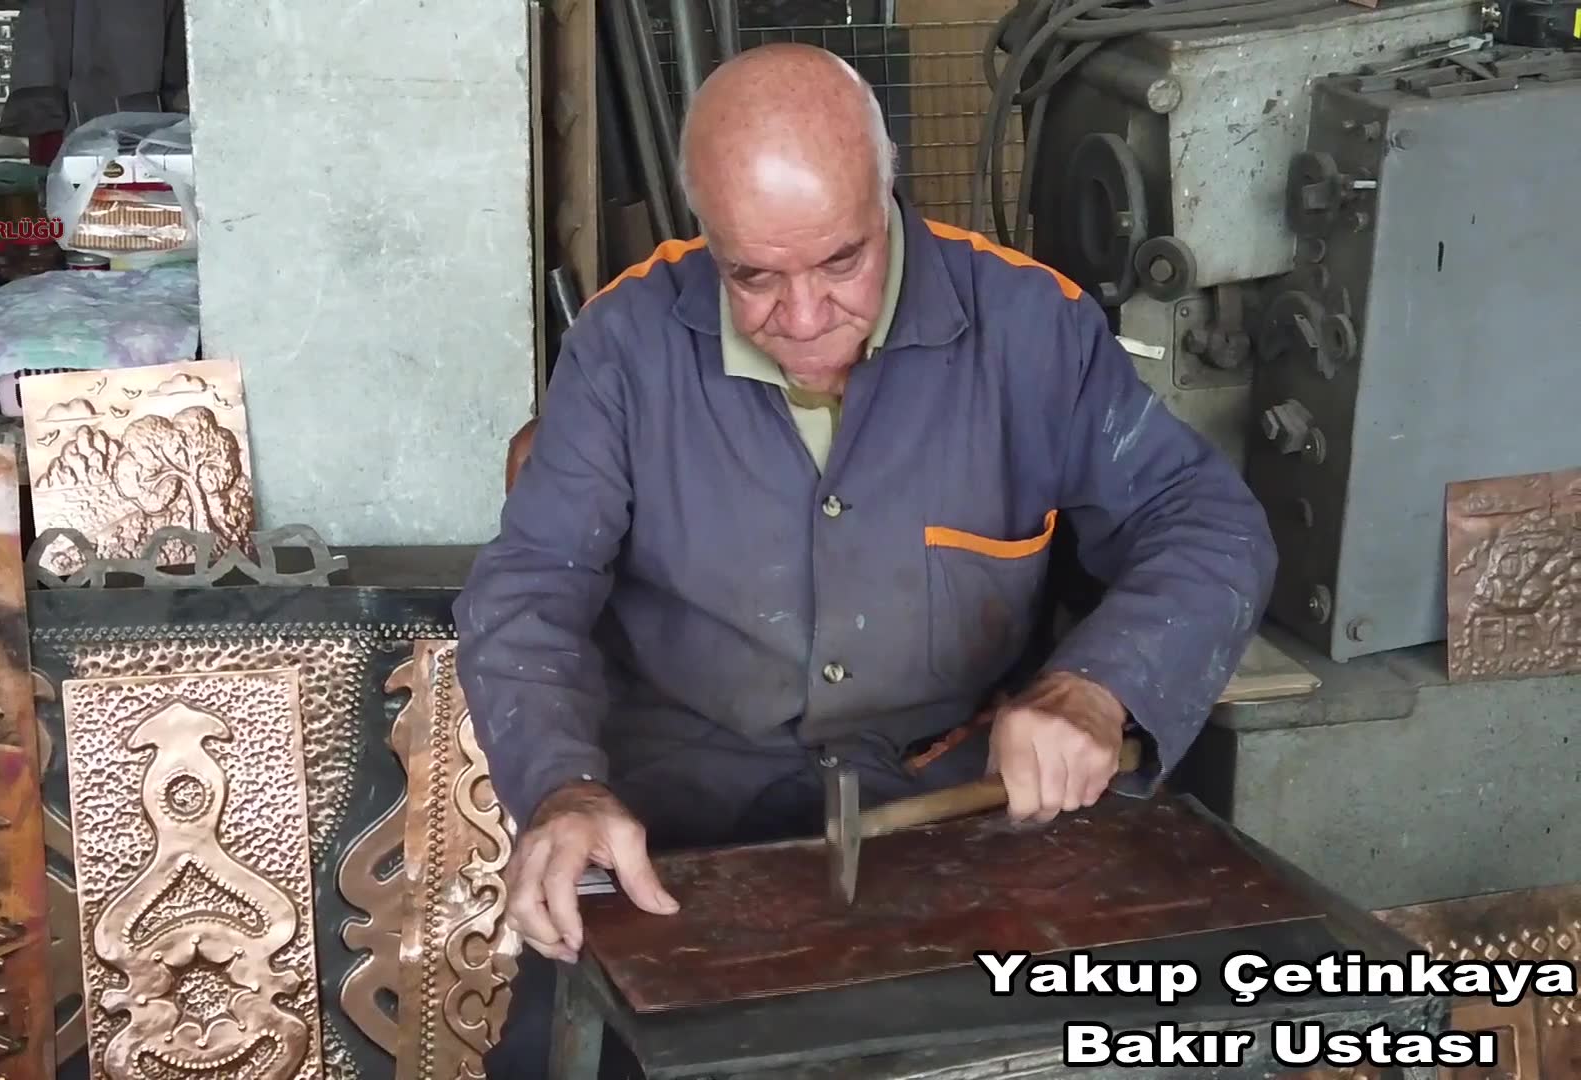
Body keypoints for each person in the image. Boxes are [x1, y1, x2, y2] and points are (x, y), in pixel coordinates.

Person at [455, 42, 1276, 1075]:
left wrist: (1100, 688)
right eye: (753, 276)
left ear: (888, 195)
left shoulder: (1029, 328)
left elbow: (1206, 521)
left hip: (956, 812)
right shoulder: (626, 347)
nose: (803, 319)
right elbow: (529, 589)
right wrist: (564, 788)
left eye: (841, 263)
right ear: (708, 236)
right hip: (680, 826)